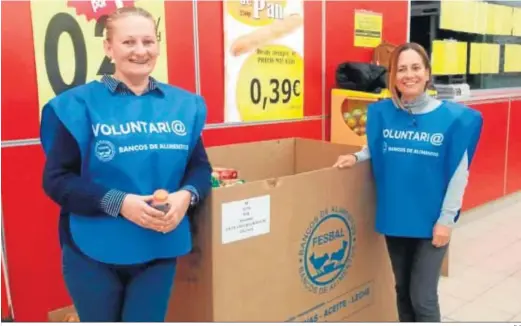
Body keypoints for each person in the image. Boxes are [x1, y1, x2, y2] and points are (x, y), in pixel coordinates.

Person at [40, 7, 212, 322]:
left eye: (148, 41)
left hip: (159, 247)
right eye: (128, 42)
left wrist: (186, 195)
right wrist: (121, 203)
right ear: (109, 48)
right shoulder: (76, 105)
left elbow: (199, 168)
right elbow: (57, 179)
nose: (140, 51)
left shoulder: (183, 105)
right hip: (93, 250)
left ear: (158, 45)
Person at [333, 42, 483, 322]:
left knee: (422, 298)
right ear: (393, 77)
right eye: (401, 69)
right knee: (402, 291)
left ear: (427, 73)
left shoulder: (454, 119)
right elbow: (379, 146)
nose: (408, 75)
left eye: (415, 68)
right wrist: (355, 157)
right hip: (397, 216)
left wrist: (446, 221)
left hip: (432, 223)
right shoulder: (383, 113)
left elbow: (458, 175)